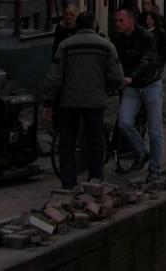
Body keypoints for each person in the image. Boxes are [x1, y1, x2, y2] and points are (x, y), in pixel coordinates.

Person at [42, 12, 123, 189]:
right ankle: (95, 180)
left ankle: (68, 183)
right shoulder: (106, 46)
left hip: (69, 101)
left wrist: (48, 102)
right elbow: (117, 76)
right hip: (95, 101)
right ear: (94, 25)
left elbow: (54, 76)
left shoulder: (65, 46)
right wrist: (109, 87)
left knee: (67, 143)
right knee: (96, 140)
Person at [112, 7, 163, 178]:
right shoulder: (119, 40)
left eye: (121, 20)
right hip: (132, 88)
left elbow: (149, 59)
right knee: (124, 122)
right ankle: (142, 151)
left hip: (150, 84)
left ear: (131, 21)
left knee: (155, 131)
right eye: (116, 20)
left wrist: (131, 77)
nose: (117, 24)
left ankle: (155, 169)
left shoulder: (146, 37)